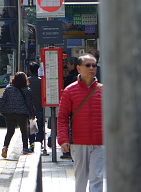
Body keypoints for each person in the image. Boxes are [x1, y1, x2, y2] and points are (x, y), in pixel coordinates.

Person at [57, 53, 104, 192]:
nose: (91, 68)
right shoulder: (70, 91)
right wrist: (63, 139)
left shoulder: (104, 90)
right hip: (78, 142)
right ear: (78, 68)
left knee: (97, 178)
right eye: (87, 65)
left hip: (100, 142)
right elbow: (62, 117)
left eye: (94, 65)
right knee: (81, 178)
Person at [0, 71, 35, 158]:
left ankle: (5, 147)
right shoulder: (27, 90)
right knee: (24, 131)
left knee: (10, 131)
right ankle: (25, 148)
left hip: (9, 113)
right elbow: (29, 103)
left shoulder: (8, 88)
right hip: (22, 113)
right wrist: (32, 114)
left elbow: (2, 100)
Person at [27, 62, 46, 153]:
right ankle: (40, 142)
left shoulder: (26, 81)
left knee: (31, 126)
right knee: (40, 125)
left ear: (30, 70)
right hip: (39, 107)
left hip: (29, 108)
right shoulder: (41, 81)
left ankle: (32, 143)